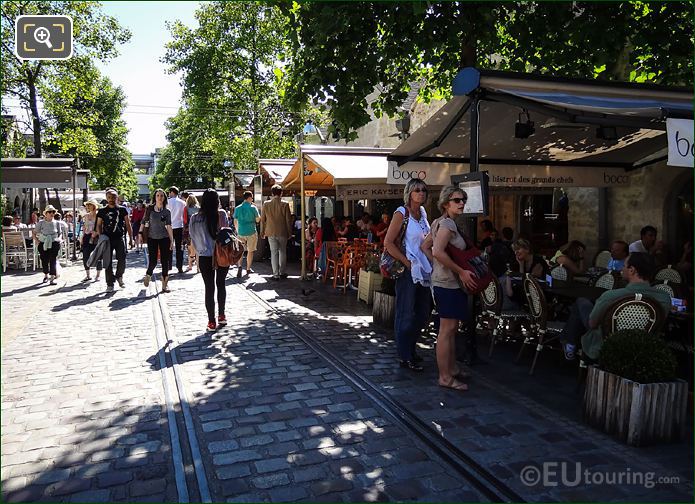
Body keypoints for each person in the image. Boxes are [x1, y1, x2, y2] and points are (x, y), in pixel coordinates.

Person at [559, 252, 671, 361]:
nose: (622, 269)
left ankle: (569, 343)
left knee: (581, 302)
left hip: (608, 342)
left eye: (624, 266)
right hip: (643, 345)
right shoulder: (664, 298)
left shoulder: (611, 296)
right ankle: (570, 342)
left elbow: (592, 323)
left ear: (632, 270)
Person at [425, 186, 478, 391]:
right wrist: (460, 271)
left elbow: (425, 247)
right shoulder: (446, 224)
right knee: (446, 331)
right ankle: (445, 377)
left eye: (463, 199)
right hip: (448, 285)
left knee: (451, 328)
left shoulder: (438, 223)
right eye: (457, 200)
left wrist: (439, 267)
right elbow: (437, 251)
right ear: (446, 203)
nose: (462, 203)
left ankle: (451, 368)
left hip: (445, 282)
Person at [384, 178, 433, 371]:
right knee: (405, 313)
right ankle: (405, 355)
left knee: (422, 313)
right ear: (409, 193)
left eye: (424, 190)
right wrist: (408, 262)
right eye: (417, 190)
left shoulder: (422, 213)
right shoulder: (401, 213)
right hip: (407, 271)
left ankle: (410, 349)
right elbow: (388, 243)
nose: (421, 193)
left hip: (424, 270)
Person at [189, 189, 230, 332]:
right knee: (221, 284)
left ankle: (211, 321)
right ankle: (222, 315)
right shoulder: (222, 214)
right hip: (221, 254)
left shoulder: (195, 218)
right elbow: (227, 233)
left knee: (209, 288)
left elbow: (193, 238)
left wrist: (195, 255)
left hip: (204, 257)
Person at [96, 188, 134, 292]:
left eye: (113, 197)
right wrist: (100, 237)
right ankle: (110, 283)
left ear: (117, 198)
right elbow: (98, 225)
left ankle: (119, 276)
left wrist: (131, 238)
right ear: (106, 198)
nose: (111, 199)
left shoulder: (122, 210)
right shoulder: (102, 211)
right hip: (107, 239)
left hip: (119, 238)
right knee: (107, 262)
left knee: (122, 259)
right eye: (109, 197)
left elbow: (128, 224)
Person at [143, 189, 175, 292]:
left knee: (165, 261)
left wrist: (171, 240)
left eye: (162, 196)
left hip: (164, 238)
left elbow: (169, 226)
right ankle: (148, 274)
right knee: (153, 261)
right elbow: (144, 222)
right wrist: (140, 233)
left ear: (164, 198)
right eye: (158, 195)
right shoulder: (150, 210)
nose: (160, 197)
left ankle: (165, 284)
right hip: (152, 238)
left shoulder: (167, 212)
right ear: (155, 197)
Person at [260, 184, 292, 280]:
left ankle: (275, 274)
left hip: (270, 231)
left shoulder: (266, 204)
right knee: (283, 252)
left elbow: (263, 219)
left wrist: (262, 232)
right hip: (283, 231)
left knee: (273, 253)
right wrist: (289, 232)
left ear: (272, 193)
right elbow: (288, 220)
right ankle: (282, 272)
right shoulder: (285, 204)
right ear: (281, 193)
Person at [33, 205, 63, 284]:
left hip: (54, 242)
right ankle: (46, 275)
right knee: (44, 259)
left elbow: (60, 233)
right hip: (43, 243)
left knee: (53, 259)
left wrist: (59, 239)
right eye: (49, 212)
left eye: (53, 212)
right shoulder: (41, 223)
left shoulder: (57, 223)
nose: (51, 213)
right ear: (45, 214)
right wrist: (37, 240)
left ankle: (52, 278)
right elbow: (34, 233)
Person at [234, 191, 260, 278]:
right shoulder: (253, 208)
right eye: (252, 198)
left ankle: (240, 266)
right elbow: (257, 220)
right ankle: (248, 268)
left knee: (240, 250)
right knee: (250, 251)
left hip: (241, 231)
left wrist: (238, 230)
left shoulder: (237, 208)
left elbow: (235, 221)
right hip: (251, 231)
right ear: (249, 197)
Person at [81, 200, 102, 282]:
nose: (88, 207)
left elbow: (101, 227)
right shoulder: (86, 216)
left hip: (96, 237)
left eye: (90, 205)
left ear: (94, 206)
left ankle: (98, 275)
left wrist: (96, 233)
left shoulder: (99, 216)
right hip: (87, 236)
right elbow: (85, 228)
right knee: (85, 256)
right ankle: (88, 275)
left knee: (98, 256)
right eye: (88, 205)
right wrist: (82, 237)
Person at [168, 186, 186, 274]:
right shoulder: (183, 202)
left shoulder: (167, 202)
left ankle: (168, 265)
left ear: (171, 192)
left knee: (169, 247)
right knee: (179, 248)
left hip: (169, 227)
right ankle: (180, 266)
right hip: (179, 226)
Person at [183, 194, 200, 272]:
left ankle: (190, 266)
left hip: (189, 230)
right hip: (199, 231)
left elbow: (185, 220)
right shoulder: (199, 209)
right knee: (198, 249)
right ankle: (198, 268)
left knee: (190, 249)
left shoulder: (186, 209)